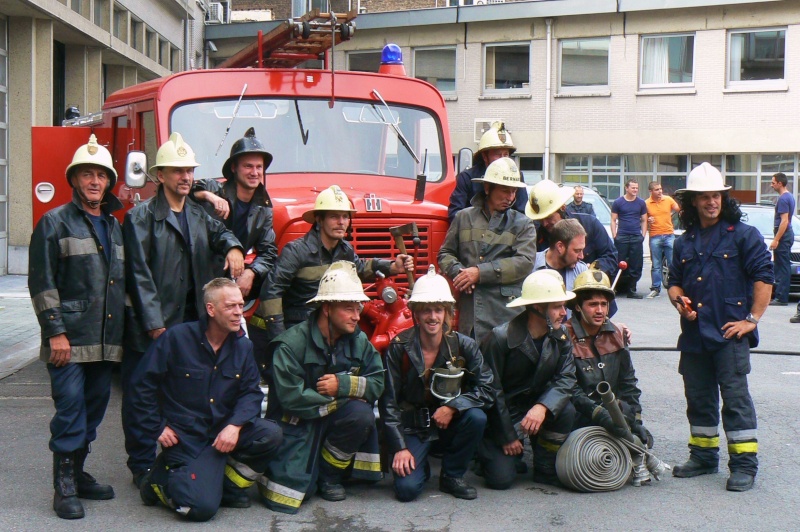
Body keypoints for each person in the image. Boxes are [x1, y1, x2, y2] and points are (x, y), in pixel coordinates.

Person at [123, 132, 245, 488]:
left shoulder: (197, 212)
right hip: (154, 325)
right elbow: (138, 276)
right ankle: (142, 463)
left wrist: (234, 247)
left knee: (181, 393)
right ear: (160, 175)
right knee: (141, 391)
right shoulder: (140, 217)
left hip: (191, 322)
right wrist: (154, 323)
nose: (185, 177)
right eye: (177, 171)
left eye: (189, 170)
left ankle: (179, 456)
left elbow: (221, 234)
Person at [132, 279, 283, 522]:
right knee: (200, 509)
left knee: (270, 434)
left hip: (223, 432)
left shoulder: (243, 347)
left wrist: (235, 426)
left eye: (241, 305)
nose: (238, 312)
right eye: (231, 306)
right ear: (211, 310)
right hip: (185, 437)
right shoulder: (176, 339)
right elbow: (141, 386)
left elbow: (251, 393)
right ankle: (157, 482)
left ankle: (228, 489)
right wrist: (157, 426)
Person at [29, 135, 124, 519]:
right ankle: (63, 486)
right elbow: (41, 281)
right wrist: (55, 332)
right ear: (74, 179)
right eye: (87, 174)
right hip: (68, 341)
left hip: (104, 342)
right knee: (70, 411)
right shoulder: (54, 222)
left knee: (93, 412)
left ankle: (79, 473)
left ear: (109, 182)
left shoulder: (116, 227)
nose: (95, 182)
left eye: (101, 175)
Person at [667, 162, 773, 492]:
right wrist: (679, 301)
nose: (712, 202)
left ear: (723, 199)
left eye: (716, 196)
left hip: (730, 335)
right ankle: (702, 456)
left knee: (736, 400)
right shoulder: (684, 242)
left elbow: (764, 278)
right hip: (695, 336)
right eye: (705, 197)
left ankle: (743, 466)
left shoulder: (744, 235)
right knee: (698, 398)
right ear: (693, 203)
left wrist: (751, 321)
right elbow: (674, 283)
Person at [259, 262, 385, 514]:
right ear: (327, 309)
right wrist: (343, 399)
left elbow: (378, 382)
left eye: (357, 308)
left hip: (328, 417)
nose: (357, 316)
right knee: (292, 493)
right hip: (296, 424)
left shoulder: (358, 340)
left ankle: (330, 477)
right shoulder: (290, 344)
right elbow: (292, 399)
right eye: (348, 309)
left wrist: (343, 385)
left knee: (360, 415)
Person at [249, 185, 413, 358]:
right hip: (293, 326)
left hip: (322, 326)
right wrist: (281, 340)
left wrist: (392, 267)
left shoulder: (344, 250)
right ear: (319, 220)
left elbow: (358, 268)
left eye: (345, 216)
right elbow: (271, 291)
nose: (341, 222)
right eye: (334, 217)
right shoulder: (296, 251)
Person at [380, 266, 495, 502]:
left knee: (476, 417)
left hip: (449, 422)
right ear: (416, 314)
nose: (433, 317)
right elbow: (388, 401)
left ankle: (452, 476)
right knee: (407, 490)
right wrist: (400, 447)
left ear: (447, 313)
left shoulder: (465, 345)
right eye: (426, 310)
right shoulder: (399, 347)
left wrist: (454, 406)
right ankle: (419, 464)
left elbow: (487, 388)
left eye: (438, 310)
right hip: (414, 427)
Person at [478, 270, 577, 489]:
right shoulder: (500, 337)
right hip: (504, 414)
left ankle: (545, 465)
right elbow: (491, 390)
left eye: (563, 306)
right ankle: (484, 455)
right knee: (500, 480)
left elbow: (567, 378)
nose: (564, 313)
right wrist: (507, 435)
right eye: (557, 307)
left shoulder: (561, 336)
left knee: (566, 409)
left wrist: (543, 406)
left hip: (536, 407)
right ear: (537, 308)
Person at [439, 157, 536, 343]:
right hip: (471, 315)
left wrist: (479, 273)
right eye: (505, 190)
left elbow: (525, 262)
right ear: (487, 188)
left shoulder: (523, 224)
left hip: (508, 315)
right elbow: (445, 253)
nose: (510, 197)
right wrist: (461, 274)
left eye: (514, 191)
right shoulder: (463, 218)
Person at [565, 269, 651, 446]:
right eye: (592, 304)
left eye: (604, 304)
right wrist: (600, 414)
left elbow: (628, 384)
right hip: (578, 416)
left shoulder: (617, 334)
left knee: (636, 448)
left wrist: (635, 423)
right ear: (578, 307)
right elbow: (570, 389)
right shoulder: (564, 338)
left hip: (612, 411)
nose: (600, 310)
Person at [192, 127, 277, 303]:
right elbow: (186, 191)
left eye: (259, 167)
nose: (254, 172)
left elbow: (269, 252)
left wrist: (251, 272)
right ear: (233, 168)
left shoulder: (264, 209)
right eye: (248, 166)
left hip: (228, 284)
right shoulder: (214, 188)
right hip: (196, 278)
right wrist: (208, 196)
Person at [526, 179, 618, 279]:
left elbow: (611, 256)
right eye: (540, 219)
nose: (544, 223)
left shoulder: (590, 224)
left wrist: (592, 270)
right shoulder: (536, 234)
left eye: (548, 217)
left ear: (563, 208)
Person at [447, 121, 528, 223]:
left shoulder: (517, 177)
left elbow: (523, 215)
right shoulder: (467, 178)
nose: (502, 159)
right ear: (485, 157)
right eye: (498, 155)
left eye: (506, 154)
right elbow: (455, 215)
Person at [611, 180, 648, 298]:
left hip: (636, 237)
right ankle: (614, 288)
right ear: (626, 188)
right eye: (633, 188)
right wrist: (615, 235)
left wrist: (642, 235)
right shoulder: (618, 202)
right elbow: (613, 220)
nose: (635, 190)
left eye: (637, 188)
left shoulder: (641, 203)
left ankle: (632, 290)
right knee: (618, 262)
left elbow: (644, 220)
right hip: (622, 237)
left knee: (636, 264)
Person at [644, 181, 680, 299]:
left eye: (660, 189)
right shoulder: (646, 203)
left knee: (672, 263)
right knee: (656, 264)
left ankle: (676, 287)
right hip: (655, 235)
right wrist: (648, 220)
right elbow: (643, 219)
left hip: (669, 234)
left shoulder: (668, 200)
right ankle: (655, 288)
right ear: (651, 192)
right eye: (657, 190)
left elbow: (679, 209)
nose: (660, 192)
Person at [769, 172, 795, 308]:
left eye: (773, 182)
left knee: (782, 267)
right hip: (786, 234)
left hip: (783, 235)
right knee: (782, 266)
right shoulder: (789, 196)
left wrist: (776, 239)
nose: (771, 185)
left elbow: (784, 221)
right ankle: (781, 295)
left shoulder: (784, 199)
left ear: (780, 183)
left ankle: (781, 297)